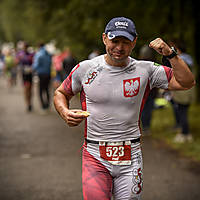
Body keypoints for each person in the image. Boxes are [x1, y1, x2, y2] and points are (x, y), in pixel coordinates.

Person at [53, 17, 195, 200]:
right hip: (95, 156)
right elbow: (60, 93)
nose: (119, 47)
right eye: (115, 41)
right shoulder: (85, 69)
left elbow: (187, 82)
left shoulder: (146, 70)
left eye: (125, 42)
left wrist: (170, 54)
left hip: (131, 156)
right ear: (104, 38)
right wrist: (64, 112)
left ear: (134, 42)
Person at [163, 39, 195, 143]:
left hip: (182, 93)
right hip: (188, 92)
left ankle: (185, 134)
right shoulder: (189, 58)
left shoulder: (181, 60)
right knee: (182, 112)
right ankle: (183, 131)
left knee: (182, 113)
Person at [139, 45, 158, 135]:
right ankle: (146, 127)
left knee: (144, 109)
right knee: (147, 109)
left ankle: (145, 127)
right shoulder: (153, 65)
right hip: (148, 91)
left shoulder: (139, 65)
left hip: (146, 91)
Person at [33, 43, 52, 113]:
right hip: (48, 74)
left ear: (39, 46)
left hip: (41, 74)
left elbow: (35, 65)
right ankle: (48, 105)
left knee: (40, 90)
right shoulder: (48, 54)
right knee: (47, 89)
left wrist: (33, 69)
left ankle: (43, 106)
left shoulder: (39, 54)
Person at [16, 43, 34, 112]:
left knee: (30, 89)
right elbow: (17, 62)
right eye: (24, 47)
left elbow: (33, 62)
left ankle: (30, 103)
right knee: (26, 88)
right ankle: (28, 104)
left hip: (30, 74)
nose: (24, 48)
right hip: (24, 74)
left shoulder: (31, 54)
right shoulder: (20, 54)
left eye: (25, 47)